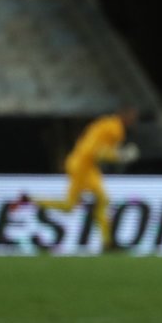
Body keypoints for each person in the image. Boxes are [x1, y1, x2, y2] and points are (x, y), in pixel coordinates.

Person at [30, 107, 140, 251]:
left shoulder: (105, 122)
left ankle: (108, 242)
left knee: (102, 200)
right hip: (81, 166)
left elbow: (93, 146)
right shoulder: (115, 129)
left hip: (86, 165)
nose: (134, 120)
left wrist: (117, 155)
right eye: (132, 116)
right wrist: (121, 156)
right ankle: (31, 200)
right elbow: (97, 152)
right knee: (69, 206)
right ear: (124, 115)